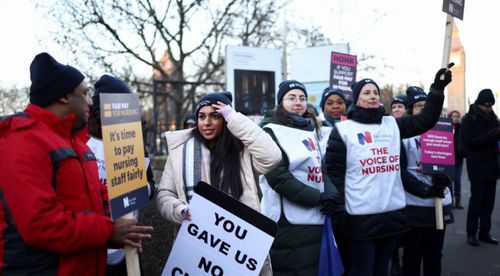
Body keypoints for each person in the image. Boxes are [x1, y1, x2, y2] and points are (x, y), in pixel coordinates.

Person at [0, 52, 153, 275]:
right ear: (64, 97)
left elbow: (94, 204)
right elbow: (42, 225)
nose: (90, 102)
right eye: (85, 93)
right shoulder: (22, 141)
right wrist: (109, 231)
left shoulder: (76, 143)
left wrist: (122, 232)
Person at [324, 67, 452, 276]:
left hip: (391, 214)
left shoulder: (391, 124)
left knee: (382, 270)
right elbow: (335, 173)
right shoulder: (344, 130)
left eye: (375, 92)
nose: (373, 96)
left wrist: (437, 90)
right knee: (363, 270)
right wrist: (340, 212)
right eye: (366, 92)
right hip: (360, 216)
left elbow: (425, 120)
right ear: (356, 99)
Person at [156, 91, 281, 275]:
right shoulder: (180, 152)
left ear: (225, 120)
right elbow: (164, 194)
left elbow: (272, 156)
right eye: (201, 116)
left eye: (215, 116)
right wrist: (179, 210)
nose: (206, 123)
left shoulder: (242, 151)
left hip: (238, 248)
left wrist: (234, 118)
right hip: (195, 245)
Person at [259, 80, 342, 276]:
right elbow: (278, 177)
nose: (298, 102)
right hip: (286, 222)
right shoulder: (269, 131)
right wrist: (317, 197)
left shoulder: (309, 130)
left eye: (302, 98)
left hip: (314, 217)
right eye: (292, 97)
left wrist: (331, 195)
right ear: (280, 102)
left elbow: (321, 170)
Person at [87, 74, 156, 275]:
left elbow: (150, 184)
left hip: (128, 250)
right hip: (94, 246)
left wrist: (138, 190)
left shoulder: (135, 144)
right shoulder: (83, 143)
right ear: (100, 114)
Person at [400, 86, 454, 276]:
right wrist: (425, 190)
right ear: (410, 111)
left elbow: (451, 166)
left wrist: (444, 179)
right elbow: (400, 172)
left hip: (440, 205)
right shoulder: (403, 137)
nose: (423, 109)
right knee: (412, 256)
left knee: (435, 255)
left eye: (427, 105)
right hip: (415, 207)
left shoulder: (444, 132)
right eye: (418, 106)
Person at [463, 89, 500, 246]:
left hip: (492, 165)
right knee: (477, 200)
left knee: (489, 202)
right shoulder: (468, 119)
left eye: (491, 106)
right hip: (477, 166)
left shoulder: (493, 118)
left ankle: (485, 232)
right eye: (486, 106)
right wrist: (492, 135)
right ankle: (471, 232)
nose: (489, 109)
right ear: (479, 104)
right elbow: (469, 142)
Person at [448, 110, 465, 209]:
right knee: (449, 182)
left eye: (457, 116)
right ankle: (450, 202)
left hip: (458, 159)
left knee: (457, 181)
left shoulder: (461, 128)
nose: (455, 118)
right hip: (448, 159)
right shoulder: (446, 127)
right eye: (453, 116)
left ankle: (457, 201)